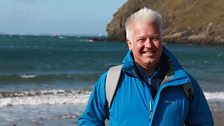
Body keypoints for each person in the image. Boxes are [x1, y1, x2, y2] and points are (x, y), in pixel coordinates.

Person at [78, 7, 214, 126]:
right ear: (129, 43)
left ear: (161, 40)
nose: (148, 45)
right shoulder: (110, 81)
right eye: (141, 40)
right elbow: (90, 120)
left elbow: (203, 123)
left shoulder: (185, 83)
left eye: (154, 38)